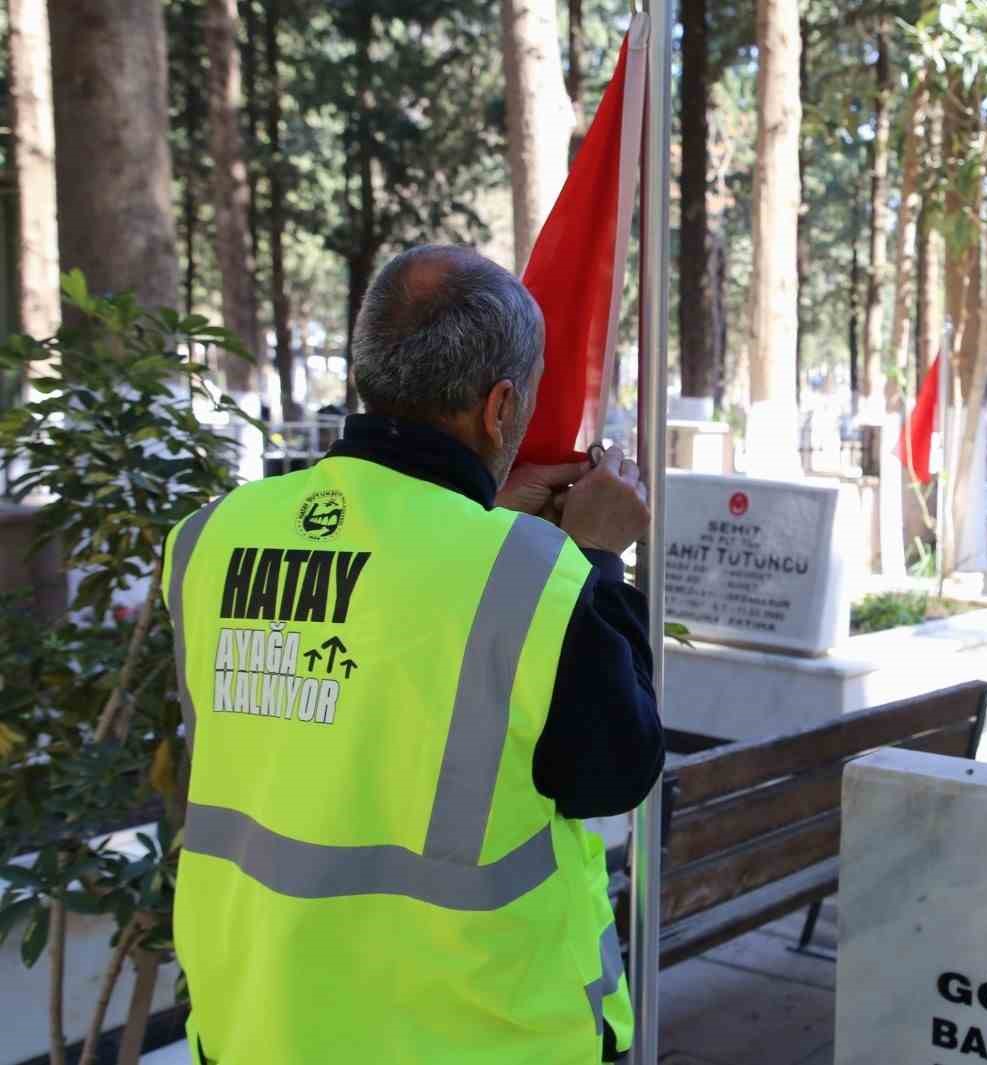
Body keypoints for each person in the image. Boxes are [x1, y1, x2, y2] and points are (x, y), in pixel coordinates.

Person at [160, 245, 661, 1064]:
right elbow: (613, 774)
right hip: (478, 1037)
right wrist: (597, 558)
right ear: (500, 408)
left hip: (258, 1024)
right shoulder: (528, 573)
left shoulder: (209, 537)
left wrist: (490, 518)